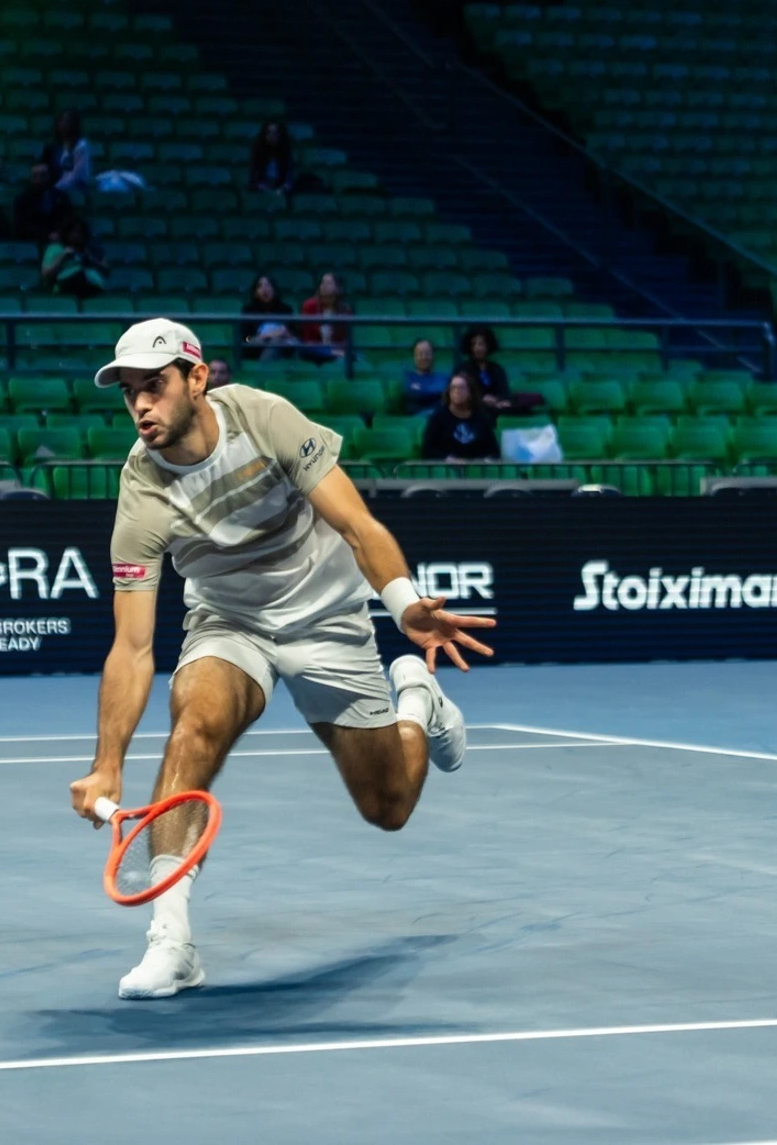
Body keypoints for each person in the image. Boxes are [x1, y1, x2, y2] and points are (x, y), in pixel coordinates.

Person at [68, 318, 494, 999]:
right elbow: (133, 645)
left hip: (327, 617)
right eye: (129, 394)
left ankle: (417, 699)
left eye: (154, 387)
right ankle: (171, 940)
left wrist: (404, 603)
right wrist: (106, 764)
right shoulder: (142, 492)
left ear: (197, 379)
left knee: (388, 806)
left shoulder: (264, 420)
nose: (141, 406)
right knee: (195, 722)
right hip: (229, 621)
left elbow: (359, 525)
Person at [422, 372, 500, 461]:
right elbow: (427, 449)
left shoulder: (481, 417)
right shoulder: (438, 416)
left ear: (471, 393)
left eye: (461, 387)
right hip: (445, 471)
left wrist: (483, 461)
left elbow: (493, 451)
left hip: (476, 470)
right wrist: (448, 459)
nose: (457, 391)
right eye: (453, 388)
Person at [41, 216, 107, 298]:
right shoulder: (54, 248)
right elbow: (46, 274)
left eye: (79, 232)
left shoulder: (91, 249)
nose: (76, 235)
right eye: (73, 232)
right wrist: (63, 255)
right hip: (65, 287)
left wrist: (90, 259)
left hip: (92, 285)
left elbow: (106, 270)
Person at [457, 323, 512, 413]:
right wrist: (481, 399)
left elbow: (505, 393)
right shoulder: (463, 370)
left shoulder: (497, 369)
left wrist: (499, 400)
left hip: (497, 409)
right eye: (474, 344)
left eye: (481, 344)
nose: (478, 348)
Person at [240, 274, 298, 359]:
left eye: (268, 285)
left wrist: (286, 333)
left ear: (274, 289)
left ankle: (263, 367)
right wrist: (265, 336)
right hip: (258, 341)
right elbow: (246, 338)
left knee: (279, 341)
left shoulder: (285, 309)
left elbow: (293, 333)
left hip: (282, 341)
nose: (264, 289)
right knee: (276, 341)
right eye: (260, 286)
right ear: (255, 292)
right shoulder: (249, 310)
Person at [14, 160, 73, 243]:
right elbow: (22, 226)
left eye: (43, 175)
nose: (39, 179)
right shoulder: (23, 200)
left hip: (59, 239)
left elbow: (68, 219)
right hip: (33, 241)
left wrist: (60, 233)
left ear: (49, 176)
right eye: (35, 176)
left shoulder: (61, 197)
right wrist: (46, 235)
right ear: (31, 178)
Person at [299, 272, 352, 362]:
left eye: (328, 283)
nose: (324, 285)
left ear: (337, 288)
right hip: (314, 349)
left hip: (336, 347)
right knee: (305, 348)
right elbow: (307, 339)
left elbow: (345, 338)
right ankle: (333, 354)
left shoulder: (345, 310)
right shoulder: (309, 305)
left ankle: (334, 355)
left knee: (355, 351)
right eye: (322, 282)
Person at [39, 109, 92, 193]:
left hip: (76, 188)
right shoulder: (51, 146)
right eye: (62, 121)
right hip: (55, 187)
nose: (64, 124)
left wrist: (58, 188)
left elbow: (77, 174)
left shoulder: (81, 145)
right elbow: (44, 166)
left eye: (67, 121)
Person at [402, 338, 449, 416]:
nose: (424, 357)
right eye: (420, 354)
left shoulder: (443, 378)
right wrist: (438, 393)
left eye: (427, 353)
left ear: (433, 355)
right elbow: (412, 395)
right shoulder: (408, 378)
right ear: (414, 357)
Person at [248, 121, 294, 194]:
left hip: (281, 191)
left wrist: (283, 188)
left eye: (275, 133)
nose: (272, 136)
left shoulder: (286, 154)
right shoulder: (258, 154)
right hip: (261, 192)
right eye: (269, 133)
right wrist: (259, 186)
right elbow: (253, 177)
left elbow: (289, 178)